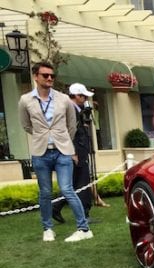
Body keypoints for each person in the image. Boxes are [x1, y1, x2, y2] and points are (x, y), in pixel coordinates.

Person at [18, 61, 92, 242]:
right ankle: (47, 229)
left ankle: (84, 229)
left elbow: (71, 125)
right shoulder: (25, 100)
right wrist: (42, 136)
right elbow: (26, 125)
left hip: (62, 151)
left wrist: (63, 140)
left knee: (67, 189)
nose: (50, 78)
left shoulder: (63, 99)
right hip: (40, 152)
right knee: (45, 192)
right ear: (36, 77)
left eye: (52, 75)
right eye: (45, 75)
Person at [53, 82, 95, 225]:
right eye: (83, 96)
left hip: (78, 150)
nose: (85, 99)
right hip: (76, 152)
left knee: (73, 183)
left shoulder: (77, 110)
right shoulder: (70, 110)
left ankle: (56, 207)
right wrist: (73, 152)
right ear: (77, 96)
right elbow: (69, 133)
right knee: (82, 182)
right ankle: (84, 213)